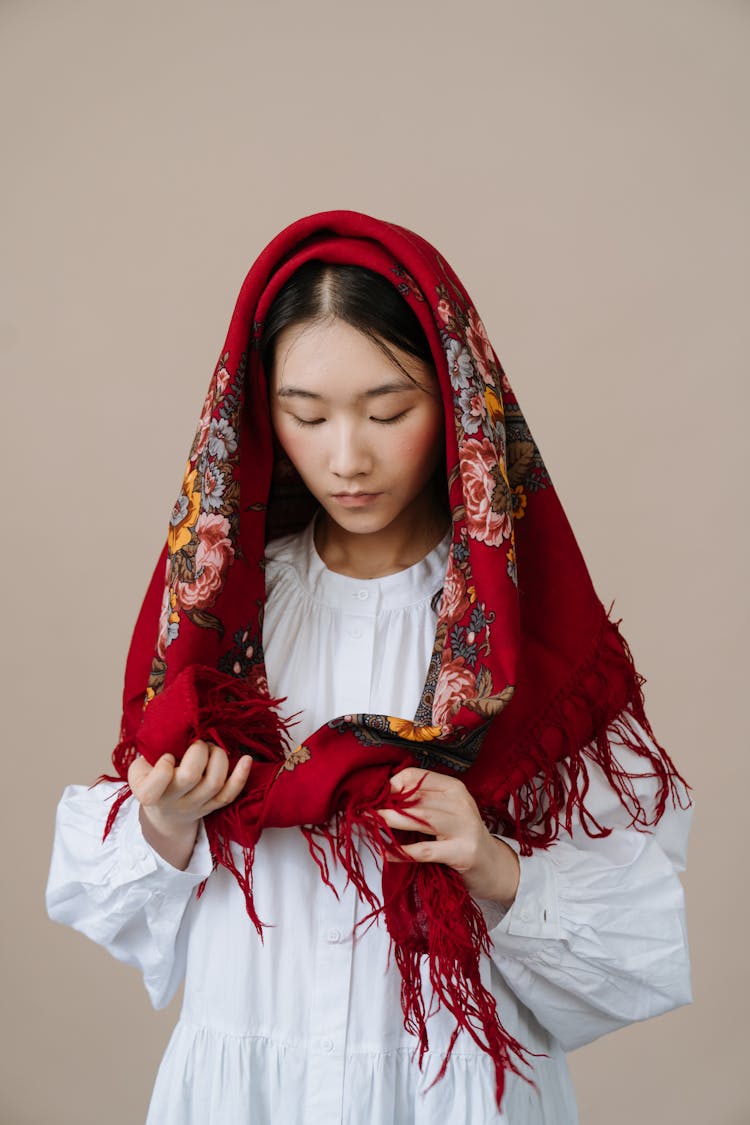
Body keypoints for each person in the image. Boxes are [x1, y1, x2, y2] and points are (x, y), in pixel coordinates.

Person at [46, 210, 692, 1125]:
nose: (347, 457)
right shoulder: (222, 619)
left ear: (461, 407)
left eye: (390, 410)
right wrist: (163, 822)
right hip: (246, 1089)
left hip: (452, 1090)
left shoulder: (527, 642)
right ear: (258, 415)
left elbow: (638, 936)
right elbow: (109, 890)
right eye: (304, 414)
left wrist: (494, 864)